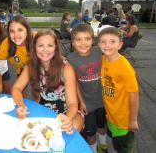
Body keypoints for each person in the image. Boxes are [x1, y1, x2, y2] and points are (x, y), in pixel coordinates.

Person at [12, 29, 83, 133]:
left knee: (72, 128)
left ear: (56, 48)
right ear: (34, 48)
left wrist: (67, 118)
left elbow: (72, 103)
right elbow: (16, 88)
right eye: (40, 46)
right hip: (42, 111)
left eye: (50, 45)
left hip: (65, 112)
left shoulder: (66, 68)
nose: (45, 50)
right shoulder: (31, 65)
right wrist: (21, 106)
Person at [98, 27, 139, 153]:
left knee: (124, 148)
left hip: (123, 120)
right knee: (116, 144)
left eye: (112, 41)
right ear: (99, 44)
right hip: (111, 115)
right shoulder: (104, 59)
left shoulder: (124, 66)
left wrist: (133, 120)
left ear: (120, 45)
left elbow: (134, 95)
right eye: (103, 42)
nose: (107, 45)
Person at [67, 24, 107, 153]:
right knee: (90, 131)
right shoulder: (71, 59)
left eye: (87, 39)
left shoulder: (99, 51)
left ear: (93, 40)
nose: (83, 43)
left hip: (103, 100)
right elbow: (74, 83)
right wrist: (81, 101)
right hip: (86, 103)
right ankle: (93, 150)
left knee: (102, 125)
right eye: (78, 39)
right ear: (72, 42)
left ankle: (103, 145)